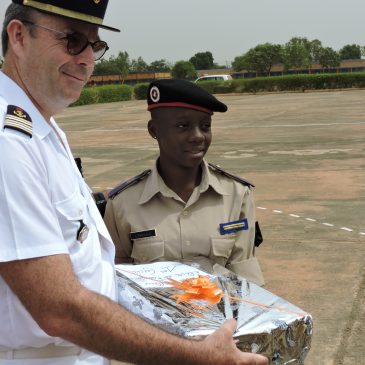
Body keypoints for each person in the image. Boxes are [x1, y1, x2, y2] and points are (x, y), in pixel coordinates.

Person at [0, 1, 268, 365]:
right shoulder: (9, 141)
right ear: (18, 36)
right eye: (72, 40)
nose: (86, 60)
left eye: (94, 46)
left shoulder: (44, 130)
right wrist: (195, 357)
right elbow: (58, 308)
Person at [104, 78, 265, 286]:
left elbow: (245, 275)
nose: (198, 136)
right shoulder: (122, 203)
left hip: (224, 317)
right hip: (148, 319)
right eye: (183, 126)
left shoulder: (236, 194)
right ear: (154, 130)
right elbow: (117, 279)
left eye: (205, 126)